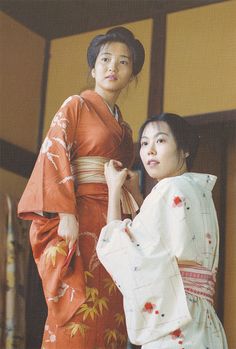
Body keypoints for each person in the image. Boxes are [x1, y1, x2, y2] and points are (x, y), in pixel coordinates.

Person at [18, 27, 145, 349]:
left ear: (132, 75)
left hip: (112, 222)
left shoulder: (125, 128)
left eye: (123, 62)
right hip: (79, 214)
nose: (112, 67)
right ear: (93, 68)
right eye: (105, 59)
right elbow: (54, 153)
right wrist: (65, 213)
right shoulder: (76, 105)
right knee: (77, 308)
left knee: (111, 306)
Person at [96, 113, 228, 349]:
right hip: (204, 325)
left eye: (160, 140)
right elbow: (159, 243)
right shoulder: (199, 190)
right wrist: (138, 198)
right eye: (145, 143)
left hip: (177, 326)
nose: (150, 151)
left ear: (185, 148)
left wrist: (114, 190)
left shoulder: (167, 188)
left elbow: (122, 250)